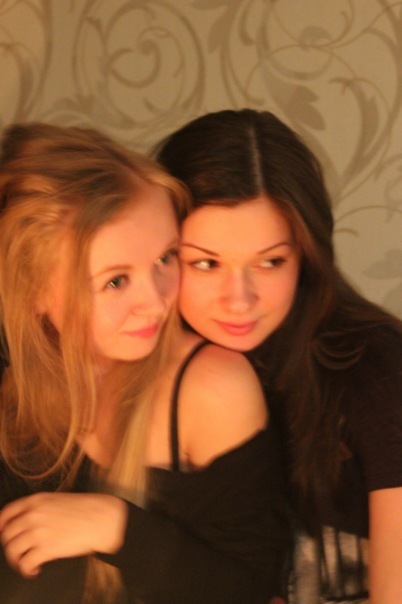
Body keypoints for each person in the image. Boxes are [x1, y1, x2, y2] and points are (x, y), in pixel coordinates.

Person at [0, 122, 290, 603]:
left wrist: (116, 527)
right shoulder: (17, 389)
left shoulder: (209, 384)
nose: (156, 303)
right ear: (33, 293)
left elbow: (252, 591)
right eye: (116, 281)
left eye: (165, 258)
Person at [154, 108, 402, 604]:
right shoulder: (137, 363)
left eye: (270, 261)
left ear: (306, 255)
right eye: (206, 263)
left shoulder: (374, 364)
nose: (239, 299)